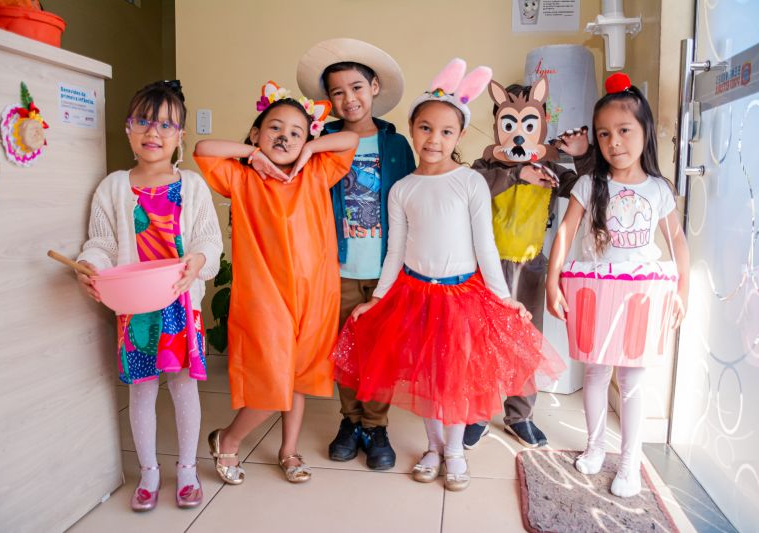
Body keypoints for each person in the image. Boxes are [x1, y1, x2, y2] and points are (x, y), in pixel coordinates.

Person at [331, 59, 564, 491]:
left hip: (462, 297)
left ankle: (454, 451)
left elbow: (485, 246)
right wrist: (378, 298)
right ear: (412, 129)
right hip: (414, 294)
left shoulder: (469, 182)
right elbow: (396, 251)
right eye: (425, 128)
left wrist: (503, 297)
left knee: (455, 379)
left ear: (459, 136)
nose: (433, 139)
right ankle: (433, 448)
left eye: (445, 131)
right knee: (428, 378)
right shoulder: (403, 188)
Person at [194, 81, 358, 484]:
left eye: (296, 132)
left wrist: (310, 151)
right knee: (274, 378)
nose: (284, 137)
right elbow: (203, 148)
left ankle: (289, 450)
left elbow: (349, 138)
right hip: (266, 296)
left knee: (298, 375)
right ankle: (228, 439)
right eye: (274, 128)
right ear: (256, 133)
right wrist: (252, 155)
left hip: (314, 294)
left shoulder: (317, 172)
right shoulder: (241, 178)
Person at [76, 80, 223, 511]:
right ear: (128, 129)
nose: (152, 132)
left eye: (165, 125)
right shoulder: (113, 187)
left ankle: (188, 470)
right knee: (141, 391)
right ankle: (149, 473)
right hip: (135, 308)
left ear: (180, 136)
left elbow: (209, 241)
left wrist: (198, 260)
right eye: (142, 121)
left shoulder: (192, 185)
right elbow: (102, 243)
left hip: (179, 305)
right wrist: (91, 265)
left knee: (183, 388)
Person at [546, 73, 690, 498]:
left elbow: (677, 241)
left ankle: (629, 461)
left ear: (645, 130)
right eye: (604, 134)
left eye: (624, 130)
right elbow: (565, 233)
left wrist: (682, 291)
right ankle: (595, 447)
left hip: (642, 295)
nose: (614, 142)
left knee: (632, 381)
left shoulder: (659, 189)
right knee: (595, 371)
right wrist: (553, 283)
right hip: (597, 292)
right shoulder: (590, 184)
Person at [297, 38, 415, 469]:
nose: (349, 99)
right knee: (345, 350)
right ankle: (350, 421)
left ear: (374, 87)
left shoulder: (396, 145)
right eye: (338, 92)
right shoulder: (320, 140)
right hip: (338, 268)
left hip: (385, 269)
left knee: (380, 351)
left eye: (357, 88)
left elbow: (411, 204)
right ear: (328, 100)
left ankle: (376, 425)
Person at [464, 78, 594, 449]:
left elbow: (587, 188)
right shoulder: (483, 166)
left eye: (528, 124)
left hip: (530, 269)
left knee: (525, 345)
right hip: (484, 270)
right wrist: (513, 174)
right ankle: (477, 414)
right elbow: (471, 186)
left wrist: (582, 155)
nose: (519, 133)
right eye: (509, 123)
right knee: (481, 344)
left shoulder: (551, 169)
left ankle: (519, 415)